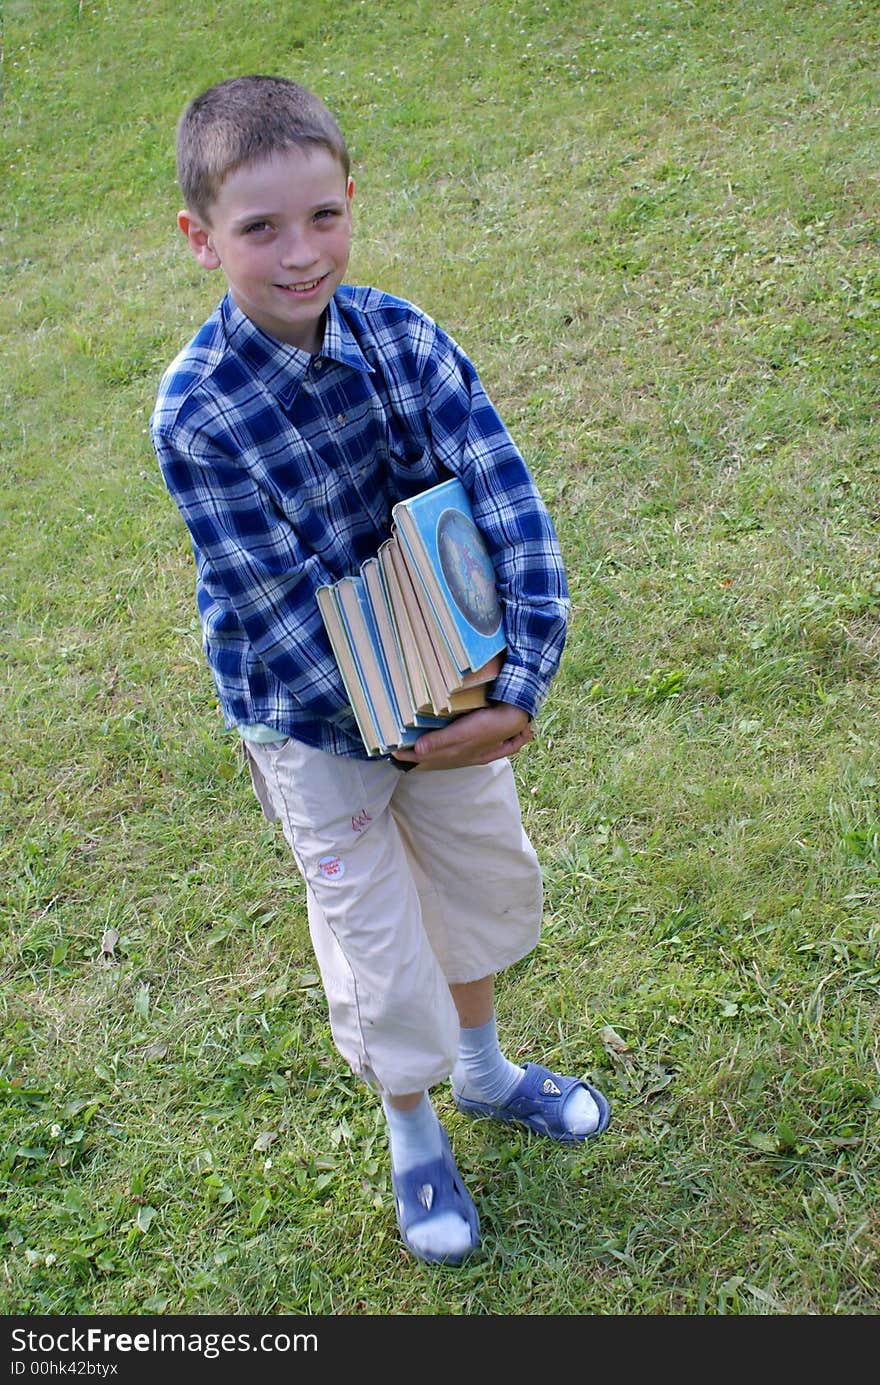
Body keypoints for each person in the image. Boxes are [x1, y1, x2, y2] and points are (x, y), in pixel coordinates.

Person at [150, 74, 610, 1266]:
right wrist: (403, 731)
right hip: (311, 717)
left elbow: (503, 490)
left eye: (323, 217)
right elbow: (275, 602)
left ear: (350, 200)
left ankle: (487, 1068)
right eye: (260, 228)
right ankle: (414, 1132)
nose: (301, 254)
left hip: (454, 693)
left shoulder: (403, 334)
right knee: (374, 933)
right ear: (202, 238)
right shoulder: (196, 414)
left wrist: (518, 684)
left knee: (479, 876)